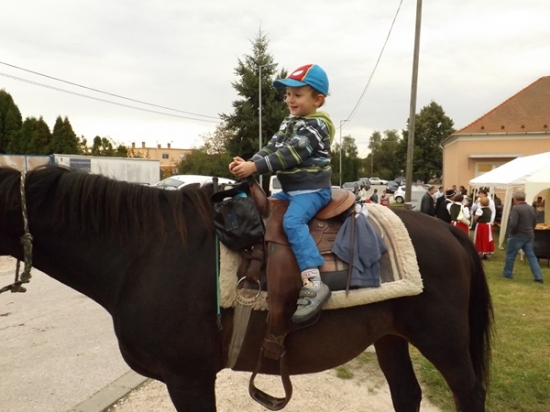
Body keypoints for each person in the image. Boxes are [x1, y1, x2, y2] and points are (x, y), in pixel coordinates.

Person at [229, 63, 334, 322]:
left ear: (318, 100)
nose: (290, 100)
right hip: (290, 191)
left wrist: (255, 167)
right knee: (264, 214)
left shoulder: (316, 126)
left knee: (292, 222)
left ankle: (313, 280)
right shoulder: (289, 122)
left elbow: (291, 153)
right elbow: (271, 148)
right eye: (287, 94)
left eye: (297, 94)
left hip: (312, 190)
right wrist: (249, 163)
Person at [502, 191, 544, 283]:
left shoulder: (516, 208)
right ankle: (538, 276)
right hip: (529, 235)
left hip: (517, 235)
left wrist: (511, 232)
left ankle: (507, 273)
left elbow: (513, 223)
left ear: (515, 199)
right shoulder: (531, 208)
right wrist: (530, 230)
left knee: (510, 255)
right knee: (531, 256)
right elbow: (534, 222)